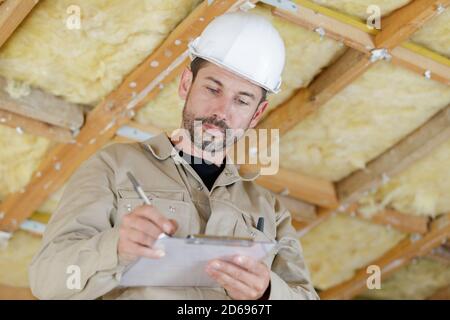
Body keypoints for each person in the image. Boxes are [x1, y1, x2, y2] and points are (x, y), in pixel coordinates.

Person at [29, 11, 318, 300]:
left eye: (241, 100)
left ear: (256, 114)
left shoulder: (270, 210)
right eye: (212, 88)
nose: (221, 111)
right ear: (185, 84)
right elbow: (47, 281)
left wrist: (268, 292)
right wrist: (116, 248)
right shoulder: (114, 165)